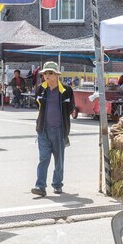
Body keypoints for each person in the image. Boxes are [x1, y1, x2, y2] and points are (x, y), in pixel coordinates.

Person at [32, 61, 75, 197]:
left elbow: (70, 108)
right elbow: (37, 104)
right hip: (43, 129)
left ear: (57, 75)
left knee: (59, 160)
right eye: (45, 73)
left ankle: (57, 184)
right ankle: (40, 186)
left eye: (50, 73)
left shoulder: (66, 90)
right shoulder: (40, 89)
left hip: (59, 130)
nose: (47, 75)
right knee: (43, 158)